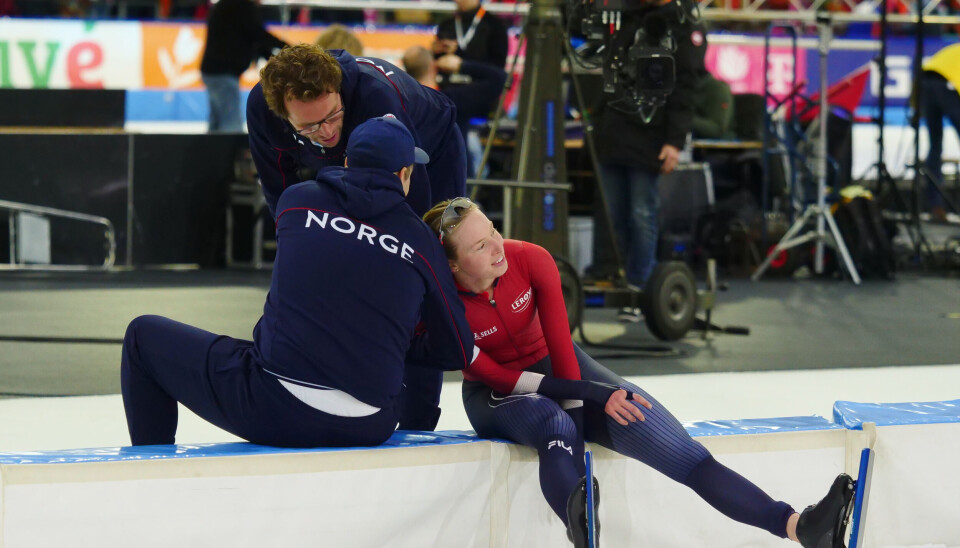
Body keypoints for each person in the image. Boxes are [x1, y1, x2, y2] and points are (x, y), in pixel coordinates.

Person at [423, 197, 856, 547]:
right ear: (455, 266)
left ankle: (800, 527)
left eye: (494, 231)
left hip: (563, 370)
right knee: (554, 425)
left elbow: (563, 348)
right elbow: (501, 378)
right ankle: (583, 536)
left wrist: (589, 398)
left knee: (673, 445)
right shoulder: (445, 302)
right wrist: (582, 415)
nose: (499, 246)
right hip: (497, 396)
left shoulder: (530, 259)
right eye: (480, 246)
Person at [120, 116, 474, 448]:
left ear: (348, 162)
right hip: (369, 424)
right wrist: (395, 344)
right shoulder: (423, 243)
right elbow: (456, 348)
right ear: (404, 174)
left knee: (142, 336)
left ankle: (152, 472)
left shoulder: (297, 201)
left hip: (273, 407)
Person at [247, 44, 469, 429]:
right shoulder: (262, 110)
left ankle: (418, 412)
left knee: (415, 270)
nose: (328, 131)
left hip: (426, 154)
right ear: (284, 115)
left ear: (337, 89)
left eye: (333, 115)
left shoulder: (374, 97)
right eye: (311, 126)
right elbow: (280, 194)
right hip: (340, 166)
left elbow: (405, 213)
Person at [592, 0, 706, 323]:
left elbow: (686, 89)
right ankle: (614, 277)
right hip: (613, 130)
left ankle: (640, 286)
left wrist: (674, 141)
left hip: (650, 135)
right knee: (613, 213)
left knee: (641, 213)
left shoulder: (681, 25)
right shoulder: (623, 15)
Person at [402, 45, 506, 177]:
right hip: (454, 178)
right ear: (432, 66)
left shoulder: (403, 101)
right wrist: (461, 65)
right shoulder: (452, 100)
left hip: (414, 176)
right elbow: (500, 79)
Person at [199, 0, 287, 132]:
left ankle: (212, 151)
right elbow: (258, 35)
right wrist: (289, 49)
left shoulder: (231, 6)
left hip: (214, 70)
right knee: (230, 124)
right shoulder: (242, 6)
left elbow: (253, 38)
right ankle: (229, 151)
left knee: (217, 122)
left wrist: (277, 58)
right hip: (223, 72)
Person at [921, 42, 960, 220]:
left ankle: (935, 205)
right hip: (948, 85)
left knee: (934, 146)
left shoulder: (953, 50)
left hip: (926, 80)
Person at [433, 0, 508, 71]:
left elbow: (498, 66)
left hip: (482, 81)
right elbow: (437, 61)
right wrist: (435, 53)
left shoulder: (495, 26)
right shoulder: (447, 25)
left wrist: (460, 61)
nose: (458, 1)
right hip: (447, 81)